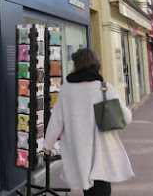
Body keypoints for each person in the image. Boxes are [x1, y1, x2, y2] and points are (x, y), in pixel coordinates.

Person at [43, 48, 133, 196]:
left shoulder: (66, 90)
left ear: (76, 65)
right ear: (95, 64)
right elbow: (126, 117)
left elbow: (56, 121)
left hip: (79, 151)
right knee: (102, 187)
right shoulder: (104, 88)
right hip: (102, 149)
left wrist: (47, 145)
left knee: (88, 189)